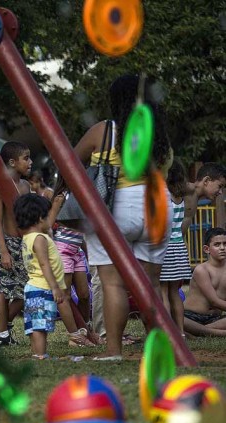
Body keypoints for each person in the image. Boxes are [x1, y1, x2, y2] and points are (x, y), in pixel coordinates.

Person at [72, 74, 173, 361]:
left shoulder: (104, 130)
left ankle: (113, 351)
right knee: (152, 285)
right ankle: (160, 351)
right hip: (158, 205)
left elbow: (68, 161)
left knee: (113, 284)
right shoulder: (159, 133)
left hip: (117, 206)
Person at [0, 141, 32, 346]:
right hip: (6, 242)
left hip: (24, 243)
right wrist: (4, 251)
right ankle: (2, 335)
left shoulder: (26, 186)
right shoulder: (1, 185)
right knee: (5, 289)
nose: (30, 162)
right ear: (12, 162)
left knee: (27, 288)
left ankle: (2, 323)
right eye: (26, 158)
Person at [14, 194, 64, 359]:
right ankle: (41, 355)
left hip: (33, 287)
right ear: (40, 218)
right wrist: (55, 287)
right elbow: (44, 264)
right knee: (40, 325)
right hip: (42, 287)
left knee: (34, 323)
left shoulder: (27, 237)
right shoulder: (40, 239)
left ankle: (37, 353)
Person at [48, 191, 98, 346]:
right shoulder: (62, 197)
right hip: (62, 249)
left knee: (84, 294)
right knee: (65, 295)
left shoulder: (80, 195)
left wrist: (88, 253)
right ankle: (74, 336)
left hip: (76, 250)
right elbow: (48, 225)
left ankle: (86, 330)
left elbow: (80, 231)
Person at [159, 162, 192, 336]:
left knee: (163, 290)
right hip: (179, 247)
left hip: (165, 247)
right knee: (175, 291)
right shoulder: (181, 197)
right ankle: (180, 331)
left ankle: (167, 331)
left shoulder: (164, 196)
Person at [183, 228, 226, 336]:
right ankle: (219, 333)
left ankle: (199, 331)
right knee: (173, 317)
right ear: (207, 249)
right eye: (217, 244)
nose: (222, 248)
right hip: (191, 316)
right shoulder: (201, 270)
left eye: (225, 244)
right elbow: (214, 301)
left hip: (215, 319)